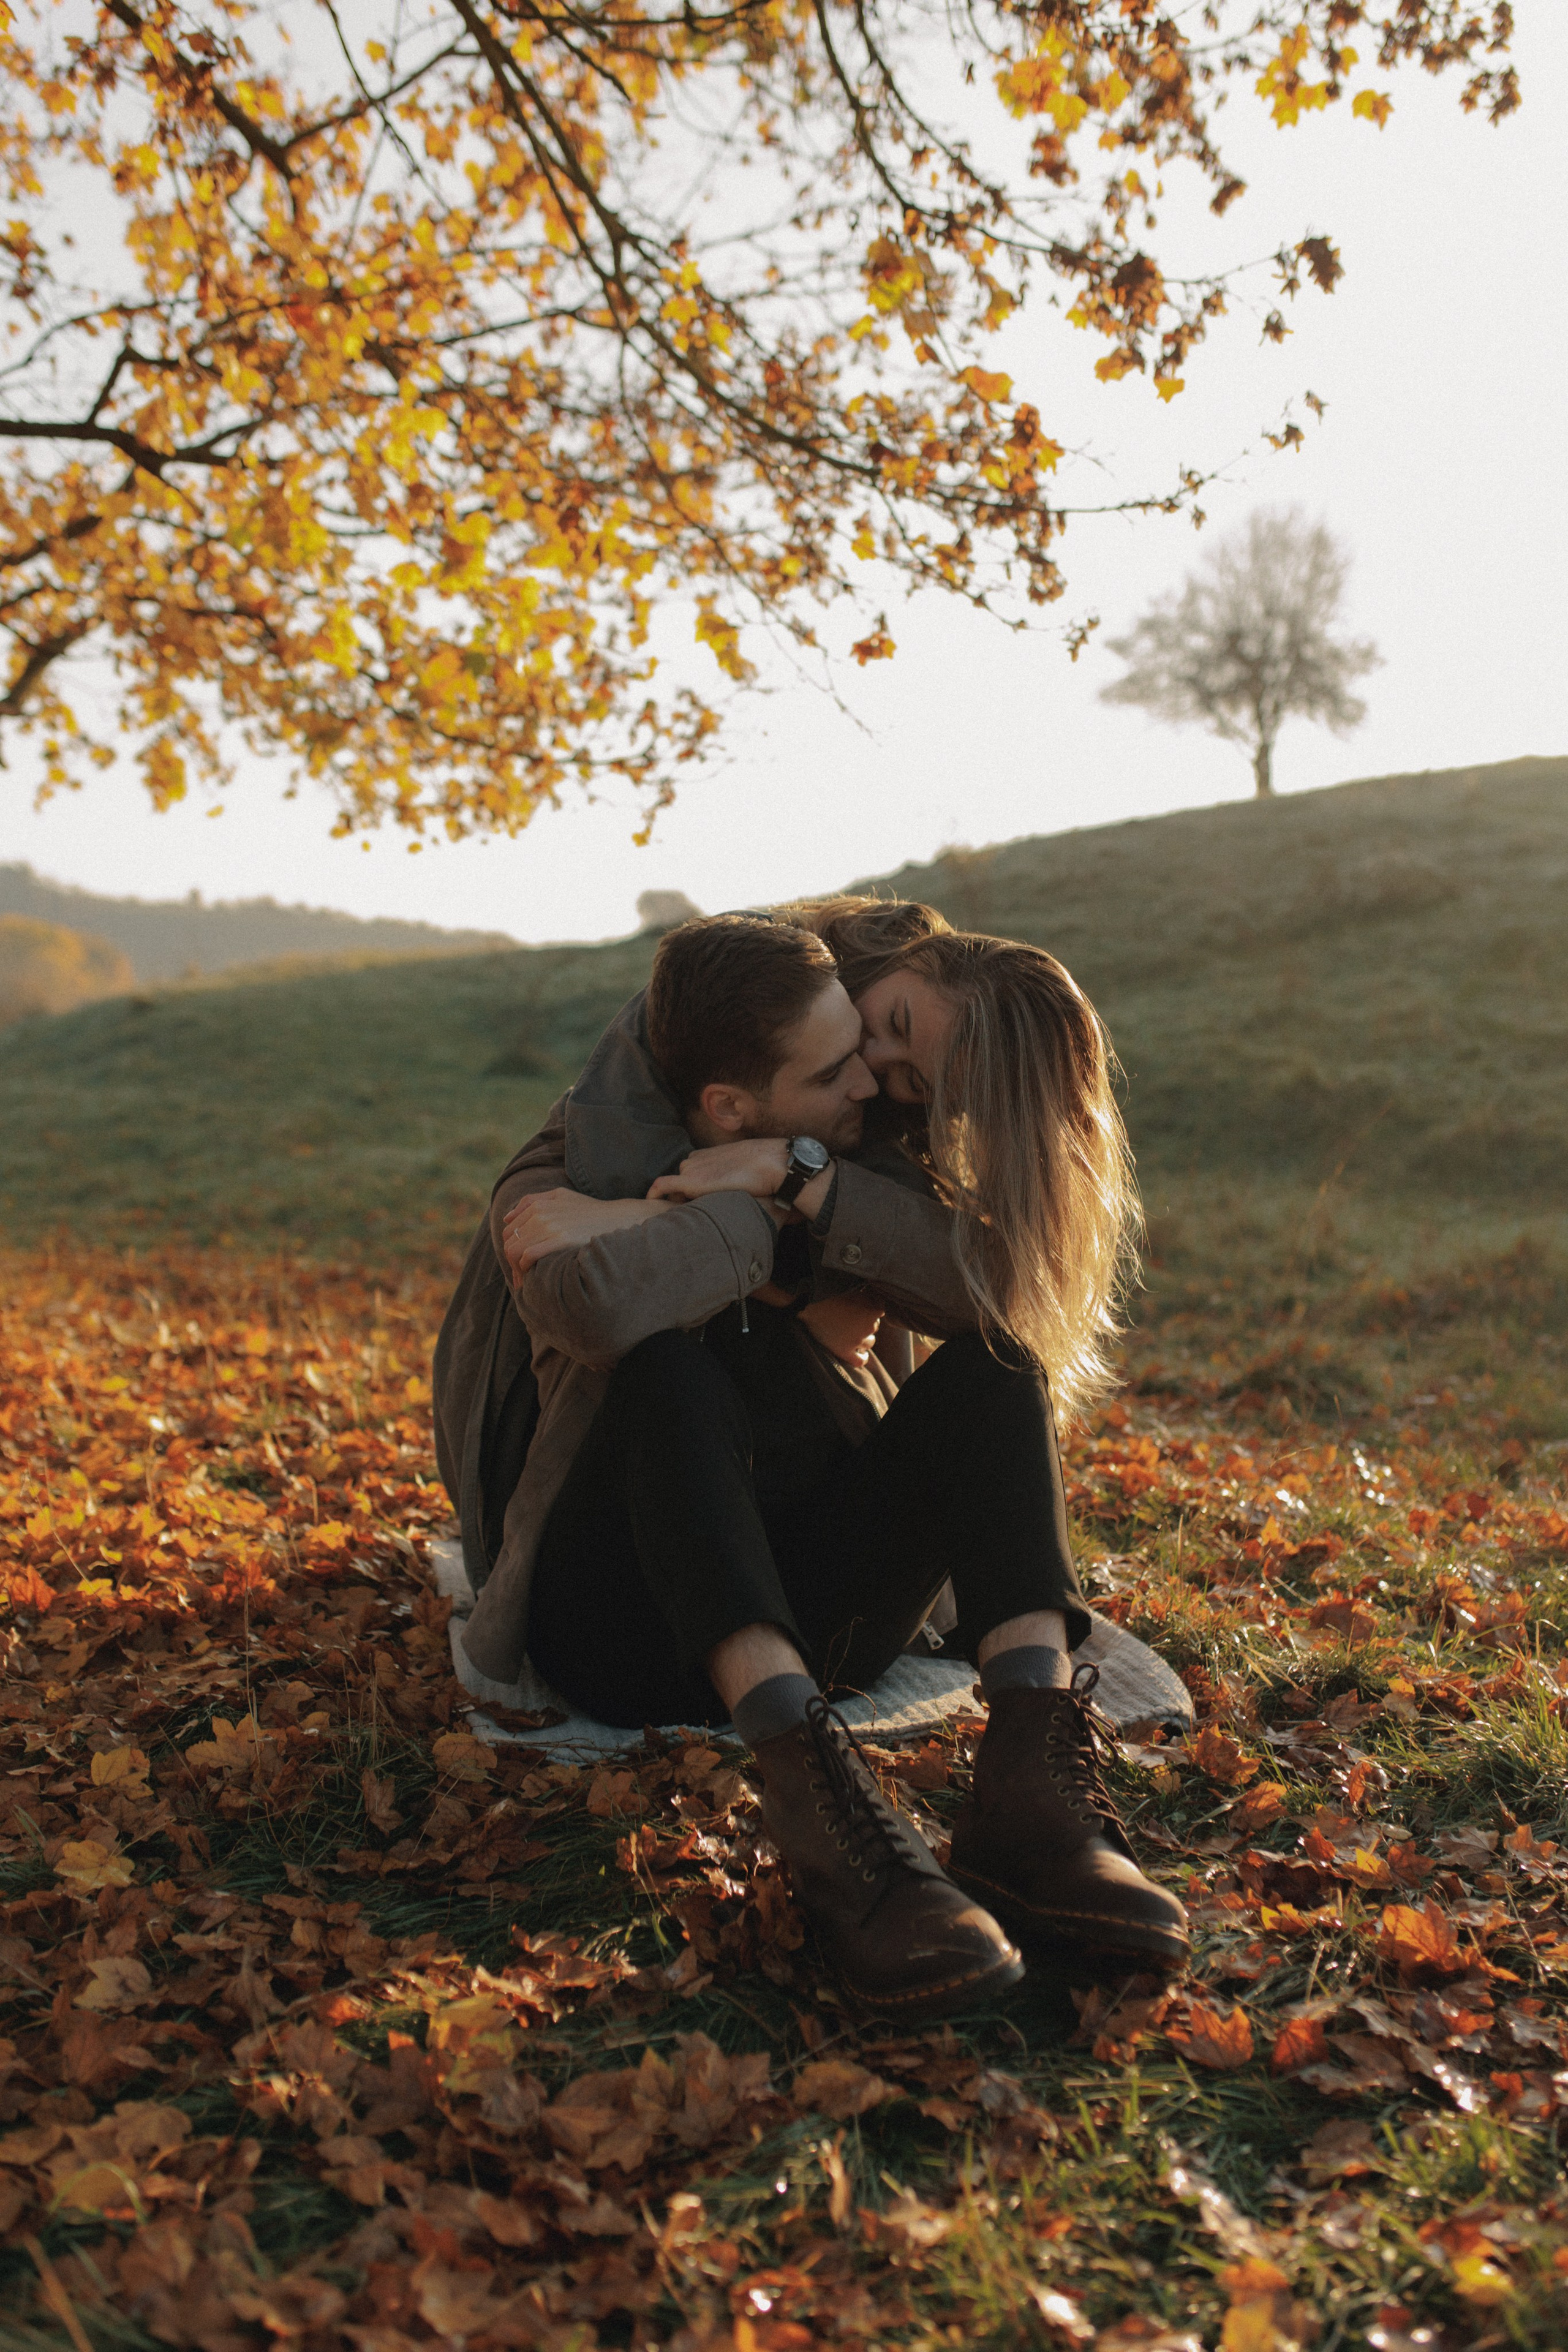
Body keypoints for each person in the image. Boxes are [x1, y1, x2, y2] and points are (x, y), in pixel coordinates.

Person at [435, 909, 1187, 2019]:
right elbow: (586, 1297)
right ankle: (819, 1804)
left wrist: (796, 1187)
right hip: (619, 1615)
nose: (877, 1084)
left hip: (819, 1599)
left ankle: (1033, 1795)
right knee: (665, 1369)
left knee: (1000, 1367)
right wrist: (770, 1227)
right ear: (888, 970)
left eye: (911, 1083)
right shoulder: (656, 1075)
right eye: (881, 1033)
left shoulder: (843, 1126)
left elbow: (991, 1292)